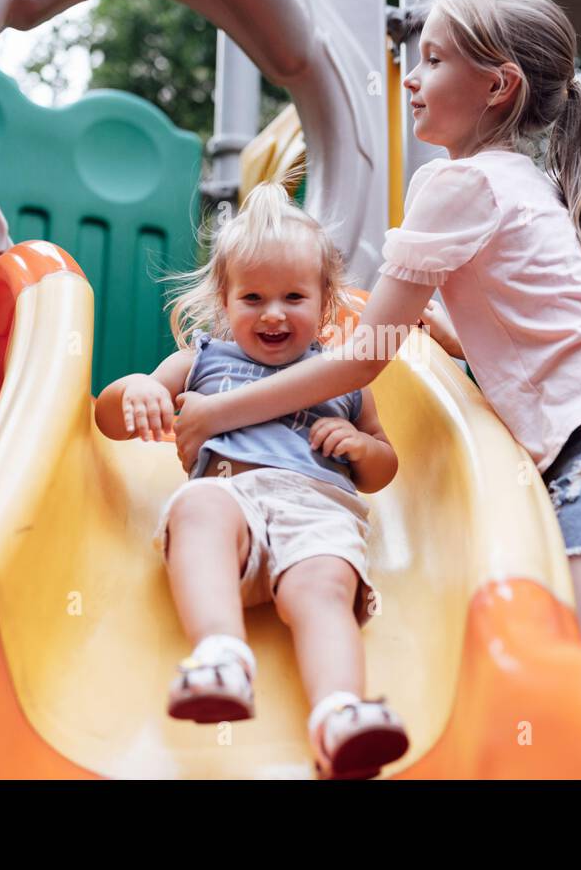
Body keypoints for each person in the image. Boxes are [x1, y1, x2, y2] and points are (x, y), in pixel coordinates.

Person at [173, 0, 581, 655]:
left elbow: (361, 359)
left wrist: (218, 411)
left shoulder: (460, 183)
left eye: (435, 60)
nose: (413, 80)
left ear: (498, 86)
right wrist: (443, 330)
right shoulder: (514, 176)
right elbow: (515, 316)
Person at [96, 182, 409, 779]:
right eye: (253, 297)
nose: (272, 313)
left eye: (293, 296)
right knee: (198, 509)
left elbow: (382, 469)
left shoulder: (342, 377)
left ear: (325, 305)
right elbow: (109, 420)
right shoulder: (202, 360)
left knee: (323, 588)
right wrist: (134, 388)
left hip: (317, 512)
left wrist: (362, 447)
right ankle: (221, 655)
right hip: (230, 495)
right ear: (225, 301)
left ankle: (338, 713)